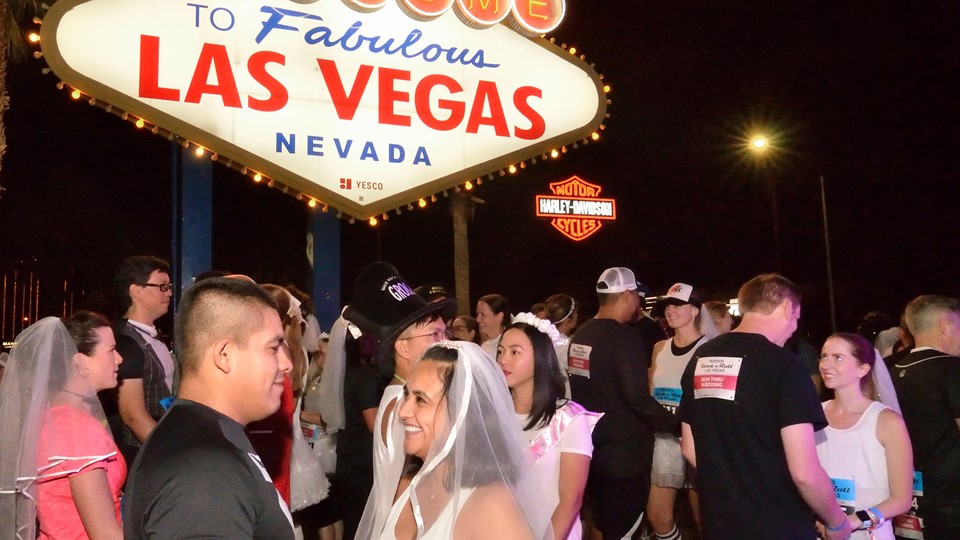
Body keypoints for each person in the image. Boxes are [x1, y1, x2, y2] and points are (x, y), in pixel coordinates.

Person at [677, 273, 851, 539]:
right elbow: (804, 472)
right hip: (778, 524)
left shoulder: (701, 358)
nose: (794, 327)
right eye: (796, 317)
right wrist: (837, 522)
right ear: (786, 308)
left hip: (719, 522)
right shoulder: (785, 366)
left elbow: (690, 448)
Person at [122, 278, 295, 539]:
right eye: (273, 348)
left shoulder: (200, 436)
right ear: (224, 355)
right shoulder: (204, 472)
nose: (286, 364)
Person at [356, 342, 553, 539]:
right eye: (406, 394)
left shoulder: (491, 506)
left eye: (421, 400)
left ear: (462, 413)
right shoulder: (408, 485)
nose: (403, 411)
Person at [341, 262, 457, 538]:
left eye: (445, 333)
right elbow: (405, 486)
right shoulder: (402, 406)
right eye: (434, 334)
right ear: (403, 347)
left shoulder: (403, 395)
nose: (446, 343)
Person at [568, 267, 678, 539]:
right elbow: (637, 398)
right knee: (624, 530)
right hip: (625, 458)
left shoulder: (580, 335)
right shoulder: (625, 338)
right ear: (628, 294)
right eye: (638, 296)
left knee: (604, 524)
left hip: (592, 450)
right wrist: (677, 422)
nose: (638, 303)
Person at [0, 313, 126, 540]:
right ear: (80, 361)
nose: (119, 358)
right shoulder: (78, 429)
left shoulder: (52, 418)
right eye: (110, 350)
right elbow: (106, 535)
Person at [498, 314, 601, 540]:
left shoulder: (569, 418)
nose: (503, 360)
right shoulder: (495, 415)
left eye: (515, 352)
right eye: (500, 351)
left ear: (540, 357)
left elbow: (570, 500)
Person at [815, 333, 913, 540]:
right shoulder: (814, 415)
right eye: (824, 356)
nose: (826, 364)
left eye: (838, 357)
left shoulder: (887, 421)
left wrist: (851, 522)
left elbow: (902, 499)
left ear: (863, 368)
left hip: (869, 534)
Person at [646, 283, 717, 540]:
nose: (671, 310)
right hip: (664, 439)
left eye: (678, 304)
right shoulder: (659, 348)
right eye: (668, 305)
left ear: (696, 310)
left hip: (698, 440)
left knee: (704, 520)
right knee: (657, 515)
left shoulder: (710, 349)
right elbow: (651, 390)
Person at [890, 295, 960, 539]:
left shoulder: (890, 372)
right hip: (951, 504)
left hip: (905, 501)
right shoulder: (952, 369)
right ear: (945, 325)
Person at [110, 255, 176, 466]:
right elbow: (133, 415)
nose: (170, 293)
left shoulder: (151, 334)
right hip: (139, 453)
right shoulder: (124, 339)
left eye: (169, 286)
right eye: (162, 287)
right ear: (136, 290)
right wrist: (170, 455)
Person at [476, 293, 511, 358]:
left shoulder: (509, 345)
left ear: (500, 316)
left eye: (483, 314)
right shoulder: (484, 346)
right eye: (478, 314)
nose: (478, 319)